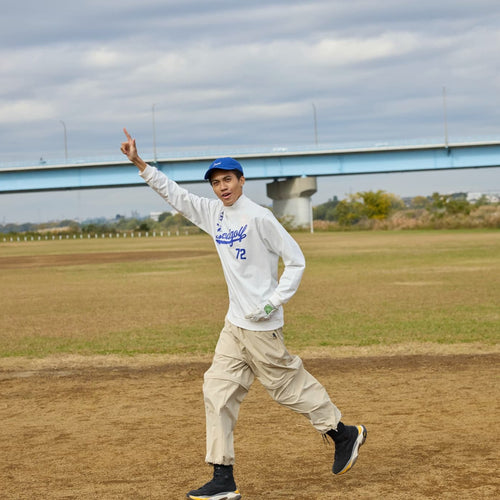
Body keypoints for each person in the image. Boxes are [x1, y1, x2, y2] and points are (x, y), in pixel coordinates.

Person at [120, 128, 367, 500]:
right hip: (234, 325)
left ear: (241, 181)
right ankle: (223, 478)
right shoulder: (213, 213)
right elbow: (176, 195)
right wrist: (141, 164)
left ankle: (342, 433)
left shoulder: (260, 217)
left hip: (262, 326)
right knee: (217, 392)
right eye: (216, 182)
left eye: (228, 180)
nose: (222, 187)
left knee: (287, 390)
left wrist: (273, 301)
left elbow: (296, 260)